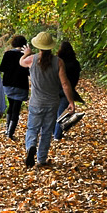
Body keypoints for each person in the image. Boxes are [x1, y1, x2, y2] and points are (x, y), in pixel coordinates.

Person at [19, 31, 77, 168]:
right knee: (46, 132)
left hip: (36, 102)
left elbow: (21, 62)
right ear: (51, 46)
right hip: (52, 103)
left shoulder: (31, 60)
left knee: (32, 129)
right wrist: (71, 101)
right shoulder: (58, 62)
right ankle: (42, 159)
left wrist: (27, 53)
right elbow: (65, 84)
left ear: (38, 46)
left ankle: (31, 146)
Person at [0, 34, 30, 139]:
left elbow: (2, 68)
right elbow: (28, 71)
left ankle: (7, 129)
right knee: (16, 108)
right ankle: (10, 132)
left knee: (11, 106)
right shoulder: (25, 56)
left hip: (8, 84)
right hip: (21, 85)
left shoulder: (7, 54)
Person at [53, 40, 84, 140]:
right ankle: (57, 135)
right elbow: (76, 78)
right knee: (62, 113)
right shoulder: (75, 63)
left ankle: (53, 132)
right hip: (68, 91)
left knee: (53, 112)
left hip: (55, 89)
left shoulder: (57, 62)